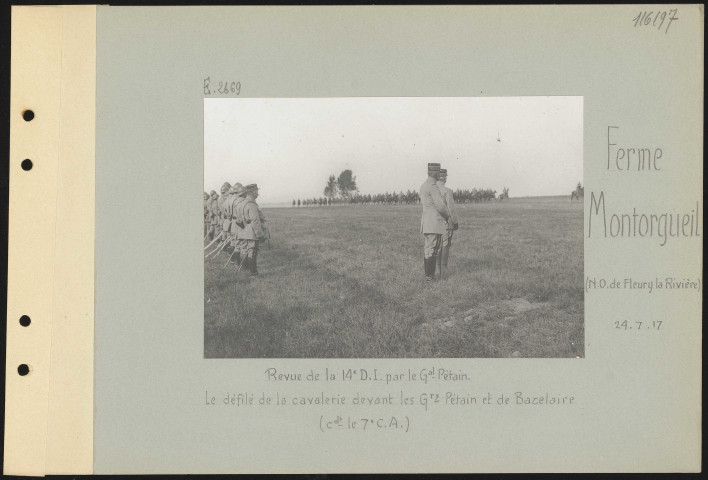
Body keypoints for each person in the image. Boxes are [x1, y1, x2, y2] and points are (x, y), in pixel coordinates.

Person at [419, 163, 449, 281]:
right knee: (434, 248)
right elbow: (440, 206)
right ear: (436, 173)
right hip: (435, 222)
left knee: (427, 248)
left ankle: (428, 275)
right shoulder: (433, 186)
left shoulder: (423, 186)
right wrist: (447, 215)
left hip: (426, 222)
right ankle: (430, 276)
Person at [234, 184, 266, 276]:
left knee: (246, 250)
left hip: (243, 230)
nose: (258, 194)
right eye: (257, 192)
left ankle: (245, 269)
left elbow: (239, 219)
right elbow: (255, 221)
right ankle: (254, 273)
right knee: (252, 251)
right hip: (251, 231)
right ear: (252, 192)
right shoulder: (251, 205)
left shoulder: (241, 203)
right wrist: (260, 235)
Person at [436, 168, 459, 278]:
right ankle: (443, 271)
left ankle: (437, 270)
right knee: (445, 245)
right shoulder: (447, 191)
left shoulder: (432, 190)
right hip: (446, 223)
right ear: (444, 178)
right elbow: (451, 208)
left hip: (434, 223)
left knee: (436, 246)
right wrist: (455, 222)